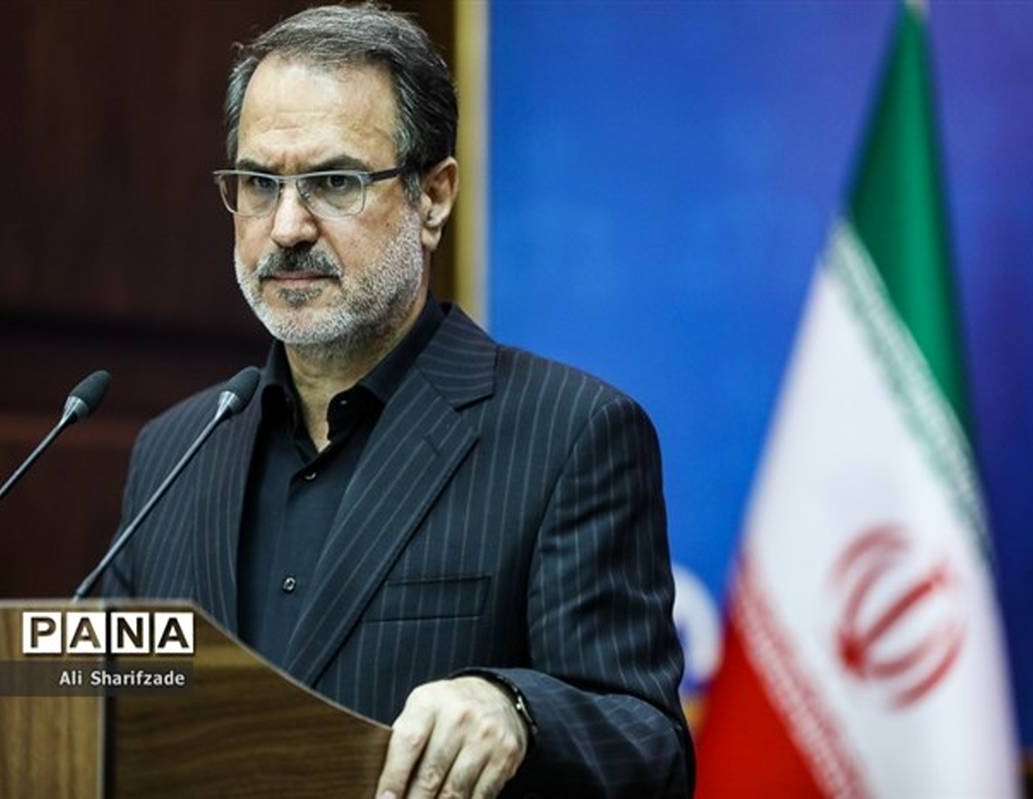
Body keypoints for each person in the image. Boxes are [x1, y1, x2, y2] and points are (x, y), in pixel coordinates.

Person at [103, 4, 693, 797]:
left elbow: (648, 745)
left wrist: (517, 707)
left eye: (334, 182)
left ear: (434, 197)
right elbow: (108, 712)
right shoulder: (175, 451)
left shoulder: (571, 433)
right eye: (259, 184)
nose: (287, 227)